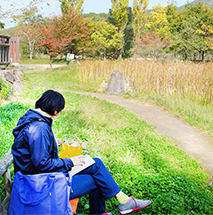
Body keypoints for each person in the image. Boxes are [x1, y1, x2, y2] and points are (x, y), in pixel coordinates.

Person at [11, 90, 152, 215]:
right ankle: (121, 203)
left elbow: (40, 159)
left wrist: (70, 161)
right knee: (98, 180)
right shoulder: (39, 128)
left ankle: (124, 200)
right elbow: (41, 164)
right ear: (54, 110)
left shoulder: (34, 121)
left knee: (95, 163)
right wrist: (71, 162)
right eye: (59, 111)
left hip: (43, 178)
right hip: (40, 187)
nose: (58, 114)